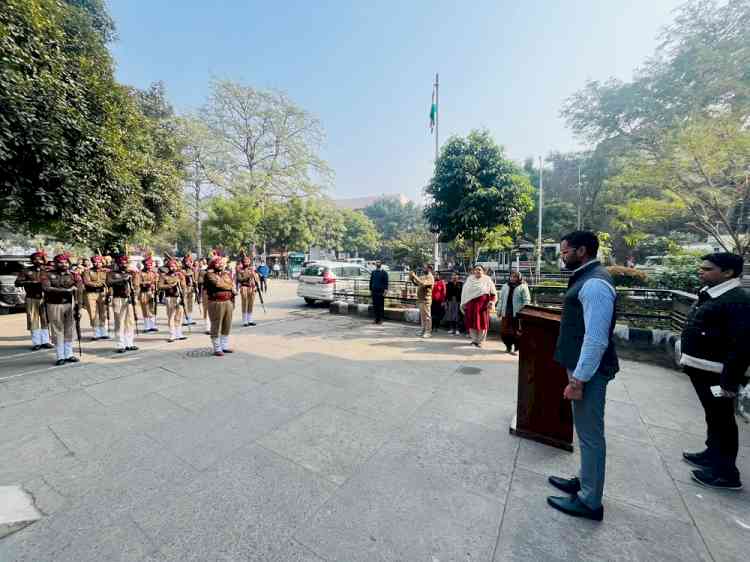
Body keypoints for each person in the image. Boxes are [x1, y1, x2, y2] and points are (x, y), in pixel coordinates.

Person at [547, 231, 619, 522]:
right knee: (585, 432)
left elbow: (596, 339)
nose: (562, 257)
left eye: (565, 252)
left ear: (583, 250)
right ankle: (584, 480)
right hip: (580, 368)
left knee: (590, 436)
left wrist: (578, 380)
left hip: (587, 372)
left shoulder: (595, 283)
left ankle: (590, 501)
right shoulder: (585, 276)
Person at [679, 252, 750, 490]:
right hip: (702, 369)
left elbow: (742, 345)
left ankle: (726, 473)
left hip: (718, 375)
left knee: (723, 419)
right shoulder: (715, 293)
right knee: (713, 415)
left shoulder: (737, 299)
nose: (701, 271)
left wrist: (729, 382)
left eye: (708, 269)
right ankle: (712, 453)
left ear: (728, 273)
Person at [42, 253, 82, 366]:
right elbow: (46, 288)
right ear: (55, 264)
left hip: (70, 305)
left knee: (69, 330)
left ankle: (69, 354)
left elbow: (79, 291)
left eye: (65, 262)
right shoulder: (48, 275)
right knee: (57, 330)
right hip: (54, 305)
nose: (63, 264)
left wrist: (79, 308)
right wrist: (65, 291)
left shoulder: (74, 275)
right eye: (60, 262)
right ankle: (60, 356)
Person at [15, 249, 53, 351]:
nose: (38, 261)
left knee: (46, 320)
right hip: (31, 298)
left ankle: (45, 341)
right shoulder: (26, 271)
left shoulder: (48, 270)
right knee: (33, 320)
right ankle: (36, 343)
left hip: (45, 298)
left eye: (40, 259)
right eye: (35, 259)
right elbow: (17, 283)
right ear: (32, 261)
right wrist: (30, 282)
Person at [205, 256, 236, 356]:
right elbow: (218, 284)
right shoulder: (209, 275)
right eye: (218, 263)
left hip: (228, 301)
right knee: (216, 325)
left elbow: (230, 283)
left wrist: (229, 284)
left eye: (221, 263)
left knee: (227, 325)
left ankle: (224, 346)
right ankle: (217, 348)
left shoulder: (226, 274)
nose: (220, 264)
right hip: (216, 302)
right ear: (213, 264)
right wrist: (230, 285)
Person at [107, 254, 138, 353]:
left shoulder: (131, 273)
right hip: (118, 298)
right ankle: (120, 344)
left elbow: (136, 284)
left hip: (128, 299)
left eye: (125, 262)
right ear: (118, 263)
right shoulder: (112, 273)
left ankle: (129, 343)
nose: (124, 264)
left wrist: (134, 274)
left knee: (130, 322)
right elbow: (109, 282)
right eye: (121, 262)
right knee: (119, 322)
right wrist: (123, 279)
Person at [460, 265, 497, 347]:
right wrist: (464, 303)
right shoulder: (470, 279)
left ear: (483, 271)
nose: (477, 271)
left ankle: (481, 341)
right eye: (476, 269)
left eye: (479, 270)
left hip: (483, 306)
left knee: (482, 323)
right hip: (471, 305)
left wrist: (491, 302)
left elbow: (493, 293)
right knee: (471, 322)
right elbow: (465, 292)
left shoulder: (487, 279)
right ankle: (474, 340)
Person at [498, 270, 531, 354]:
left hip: (517, 313)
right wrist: (499, 310)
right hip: (506, 312)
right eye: (511, 276)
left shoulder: (523, 286)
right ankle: (508, 346)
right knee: (504, 332)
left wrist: (524, 312)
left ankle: (516, 348)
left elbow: (526, 300)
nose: (513, 278)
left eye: (515, 276)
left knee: (516, 332)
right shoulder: (505, 286)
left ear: (519, 277)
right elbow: (501, 299)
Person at [158, 258, 188, 342]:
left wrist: (181, 280)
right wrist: (170, 285)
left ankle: (179, 333)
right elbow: (160, 286)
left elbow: (184, 286)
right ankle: (172, 334)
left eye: (174, 266)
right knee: (171, 316)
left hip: (179, 297)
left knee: (179, 316)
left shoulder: (180, 275)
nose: (173, 268)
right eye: (171, 266)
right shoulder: (164, 275)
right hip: (170, 297)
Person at [81, 254, 110, 340]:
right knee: (93, 313)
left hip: (102, 293)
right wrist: (100, 284)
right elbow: (87, 282)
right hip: (90, 294)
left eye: (99, 262)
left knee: (103, 312)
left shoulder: (106, 271)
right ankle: (96, 332)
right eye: (95, 262)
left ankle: (103, 331)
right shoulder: (87, 271)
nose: (97, 263)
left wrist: (109, 293)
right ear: (92, 263)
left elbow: (109, 282)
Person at [409, 264, 434, 338]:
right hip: (420, 299)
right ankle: (423, 330)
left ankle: (428, 331)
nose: (423, 269)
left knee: (427, 317)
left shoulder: (430, 277)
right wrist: (412, 278)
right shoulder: (423, 276)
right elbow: (416, 283)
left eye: (425, 268)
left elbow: (422, 283)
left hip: (426, 299)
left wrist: (414, 276)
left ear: (429, 269)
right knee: (422, 317)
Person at [135, 255, 159, 332]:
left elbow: (157, 281)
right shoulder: (140, 273)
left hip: (151, 292)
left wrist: (155, 286)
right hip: (144, 292)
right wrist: (147, 283)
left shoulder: (154, 273)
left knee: (152, 309)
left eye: (150, 264)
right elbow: (137, 283)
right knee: (145, 309)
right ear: (144, 265)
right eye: (148, 264)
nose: (149, 266)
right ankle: (147, 326)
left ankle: (152, 325)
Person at [236, 255, 261, 327]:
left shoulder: (252, 269)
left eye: (248, 260)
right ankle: (244, 321)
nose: (247, 261)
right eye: (245, 260)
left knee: (251, 304)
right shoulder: (240, 269)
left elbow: (257, 279)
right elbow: (239, 279)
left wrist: (255, 276)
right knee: (245, 303)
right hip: (244, 287)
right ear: (243, 262)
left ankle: (250, 320)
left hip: (252, 288)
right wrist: (248, 276)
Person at [181, 255, 198, 326]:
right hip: (184, 288)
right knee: (184, 303)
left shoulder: (192, 269)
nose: (189, 263)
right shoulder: (182, 270)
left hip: (191, 288)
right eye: (187, 262)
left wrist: (196, 287)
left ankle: (190, 319)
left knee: (191, 303)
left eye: (190, 261)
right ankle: (185, 319)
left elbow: (195, 279)